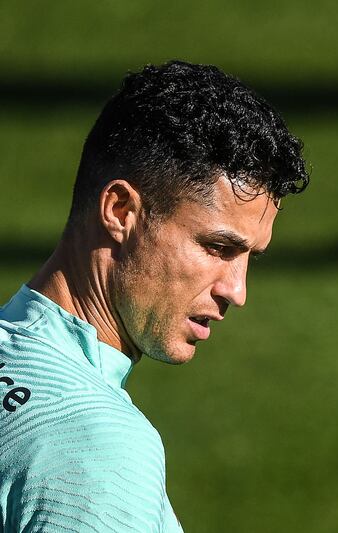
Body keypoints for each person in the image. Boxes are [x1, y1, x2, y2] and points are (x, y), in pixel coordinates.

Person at [0, 60, 309, 531]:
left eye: (251, 257)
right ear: (121, 211)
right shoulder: (94, 450)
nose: (237, 290)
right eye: (218, 247)